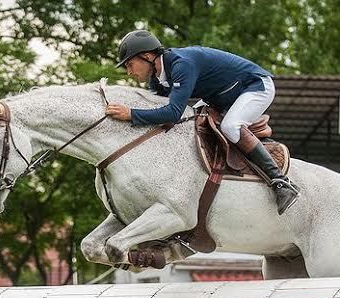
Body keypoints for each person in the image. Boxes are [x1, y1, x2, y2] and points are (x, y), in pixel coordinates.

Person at [106, 30, 299, 215]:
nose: (129, 72)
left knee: (230, 127)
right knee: (190, 122)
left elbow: (173, 113)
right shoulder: (157, 79)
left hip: (254, 86)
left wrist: (131, 114)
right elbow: (157, 111)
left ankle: (281, 182)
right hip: (220, 95)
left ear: (147, 56)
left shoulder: (181, 64)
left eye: (130, 64)